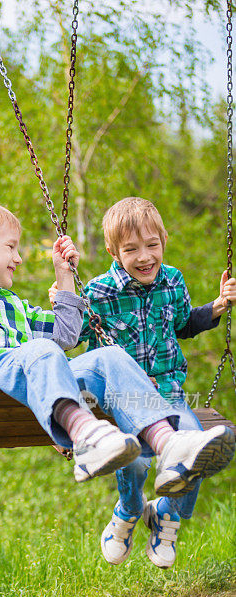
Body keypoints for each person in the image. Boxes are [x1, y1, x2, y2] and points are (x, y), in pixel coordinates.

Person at [0, 200, 234, 508]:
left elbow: (66, 336)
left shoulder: (13, 304)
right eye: (12, 248)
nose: (18, 258)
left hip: (38, 379)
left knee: (111, 357)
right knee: (40, 351)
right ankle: (87, 439)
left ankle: (170, 445)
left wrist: (64, 274)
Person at [49, 196, 236, 568]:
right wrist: (64, 295)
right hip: (122, 401)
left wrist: (216, 307)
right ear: (113, 252)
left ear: (163, 241)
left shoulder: (173, 281)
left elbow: (183, 325)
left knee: (196, 445)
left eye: (152, 245)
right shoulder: (99, 292)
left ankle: (164, 515)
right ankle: (129, 511)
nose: (144, 256)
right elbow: (69, 341)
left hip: (168, 393)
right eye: (131, 249)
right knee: (133, 464)